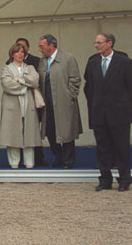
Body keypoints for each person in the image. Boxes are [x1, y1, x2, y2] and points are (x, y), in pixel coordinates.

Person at [84, 33, 132, 192]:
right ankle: (105, 179)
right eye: (95, 42)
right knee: (103, 147)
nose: (96, 45)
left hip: (119, 113)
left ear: (109, 43)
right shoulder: (93, 63)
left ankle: (125, 179)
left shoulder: (124, 62)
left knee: (121, 147)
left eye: (99, 43)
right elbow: (89, 87)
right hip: (99, 113)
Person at [38, 34, 82, 169]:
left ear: (51, 46)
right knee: (50, 130)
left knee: (67, 131)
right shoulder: (43, 61)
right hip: (48, 102)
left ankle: (68, 160)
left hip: (64, 102)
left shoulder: (68, 58)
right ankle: (59, 156)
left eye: (42, 46)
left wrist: (70, 96)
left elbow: (75, 79)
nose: (40, 49)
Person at [0, 43, 43, 168]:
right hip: (12, 106)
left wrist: (19, 79)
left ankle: (29, 162)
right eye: (17, 52)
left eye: (22, 52)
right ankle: (14, 162)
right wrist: (25, 85)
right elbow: (7, 85)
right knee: (13, 133)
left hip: (28, 105)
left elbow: (35, 81)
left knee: (29, 133)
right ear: (12, 54)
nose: (20, 54)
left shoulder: (30, 68)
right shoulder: (6, 68)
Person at [15, 38, 47, 167]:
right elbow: (9, 83)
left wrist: (19, 79)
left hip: (33, 100)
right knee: (19, 130)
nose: (21, 51)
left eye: (23, 47)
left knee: (34, 131)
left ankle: (39, 158)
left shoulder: (35, 61)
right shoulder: (9, 63)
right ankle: (21, 159)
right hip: (17, 102)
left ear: (28, 48)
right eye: (18, 48)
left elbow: (35, 81)